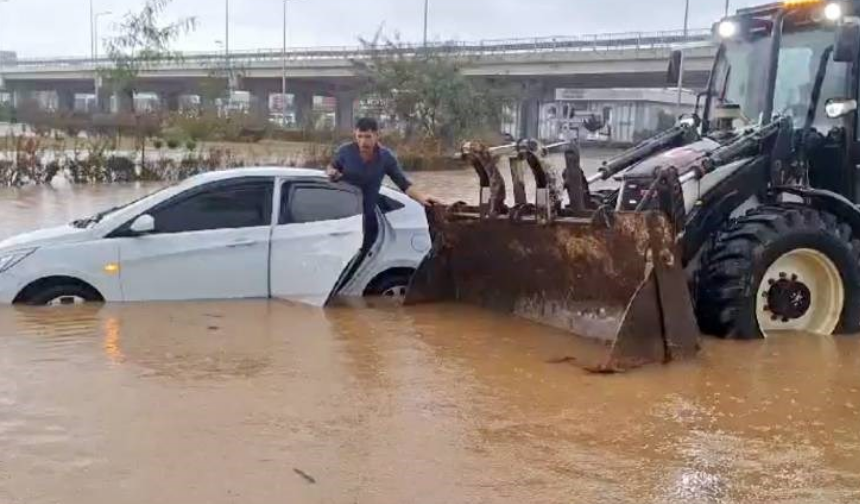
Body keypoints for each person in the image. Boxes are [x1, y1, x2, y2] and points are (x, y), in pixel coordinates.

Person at [326, 117, 441, 251]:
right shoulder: (345, 152)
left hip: (368, 219)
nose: (363, 142)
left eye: (368, 137)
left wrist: (422, 198)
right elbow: (331, 168)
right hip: (343, 218)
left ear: (377, 136)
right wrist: (332, 173)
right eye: (360, 136)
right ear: (355, 135)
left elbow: (404, 184)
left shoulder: (386, 157)